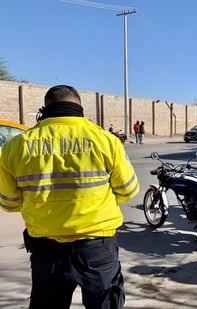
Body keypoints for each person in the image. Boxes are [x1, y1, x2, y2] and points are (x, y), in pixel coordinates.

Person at [0, 85, 140, 309]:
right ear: (79, 108)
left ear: (44, 110)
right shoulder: (106, 141)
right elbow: (128, 191)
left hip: (46, 251)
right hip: (97, 248)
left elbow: (8, 203)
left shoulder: (14, 147)